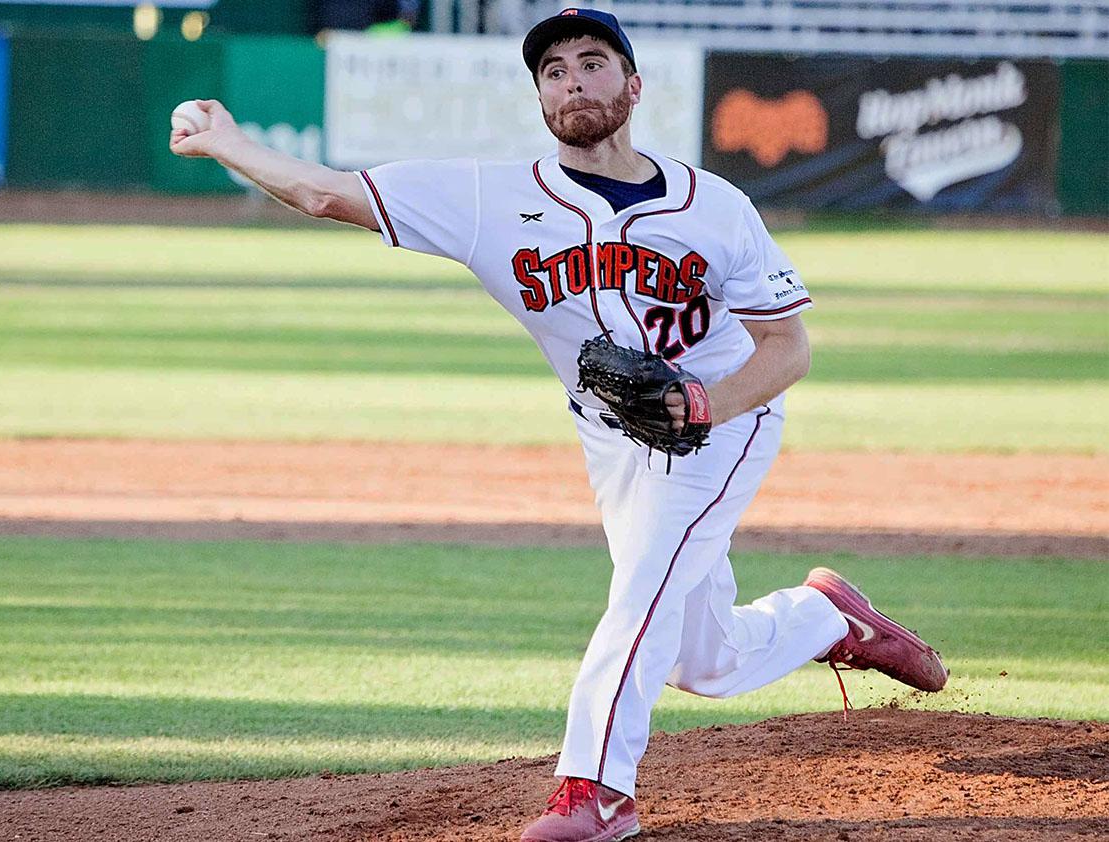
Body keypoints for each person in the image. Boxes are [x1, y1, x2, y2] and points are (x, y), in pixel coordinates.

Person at [171, 9, 948, 841]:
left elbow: (786, 347)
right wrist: (228, 143)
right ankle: (831, 617)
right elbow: (330, 192)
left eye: (593, 61)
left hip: (722, 419)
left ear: (634, 84)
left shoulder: (715, 207)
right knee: (703, 658)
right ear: (540, 95)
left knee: (642, 589)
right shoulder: (489, 201)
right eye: (554, 70)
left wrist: (709, 404)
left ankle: (597, 792)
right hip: (610, 437)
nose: (573, 79)